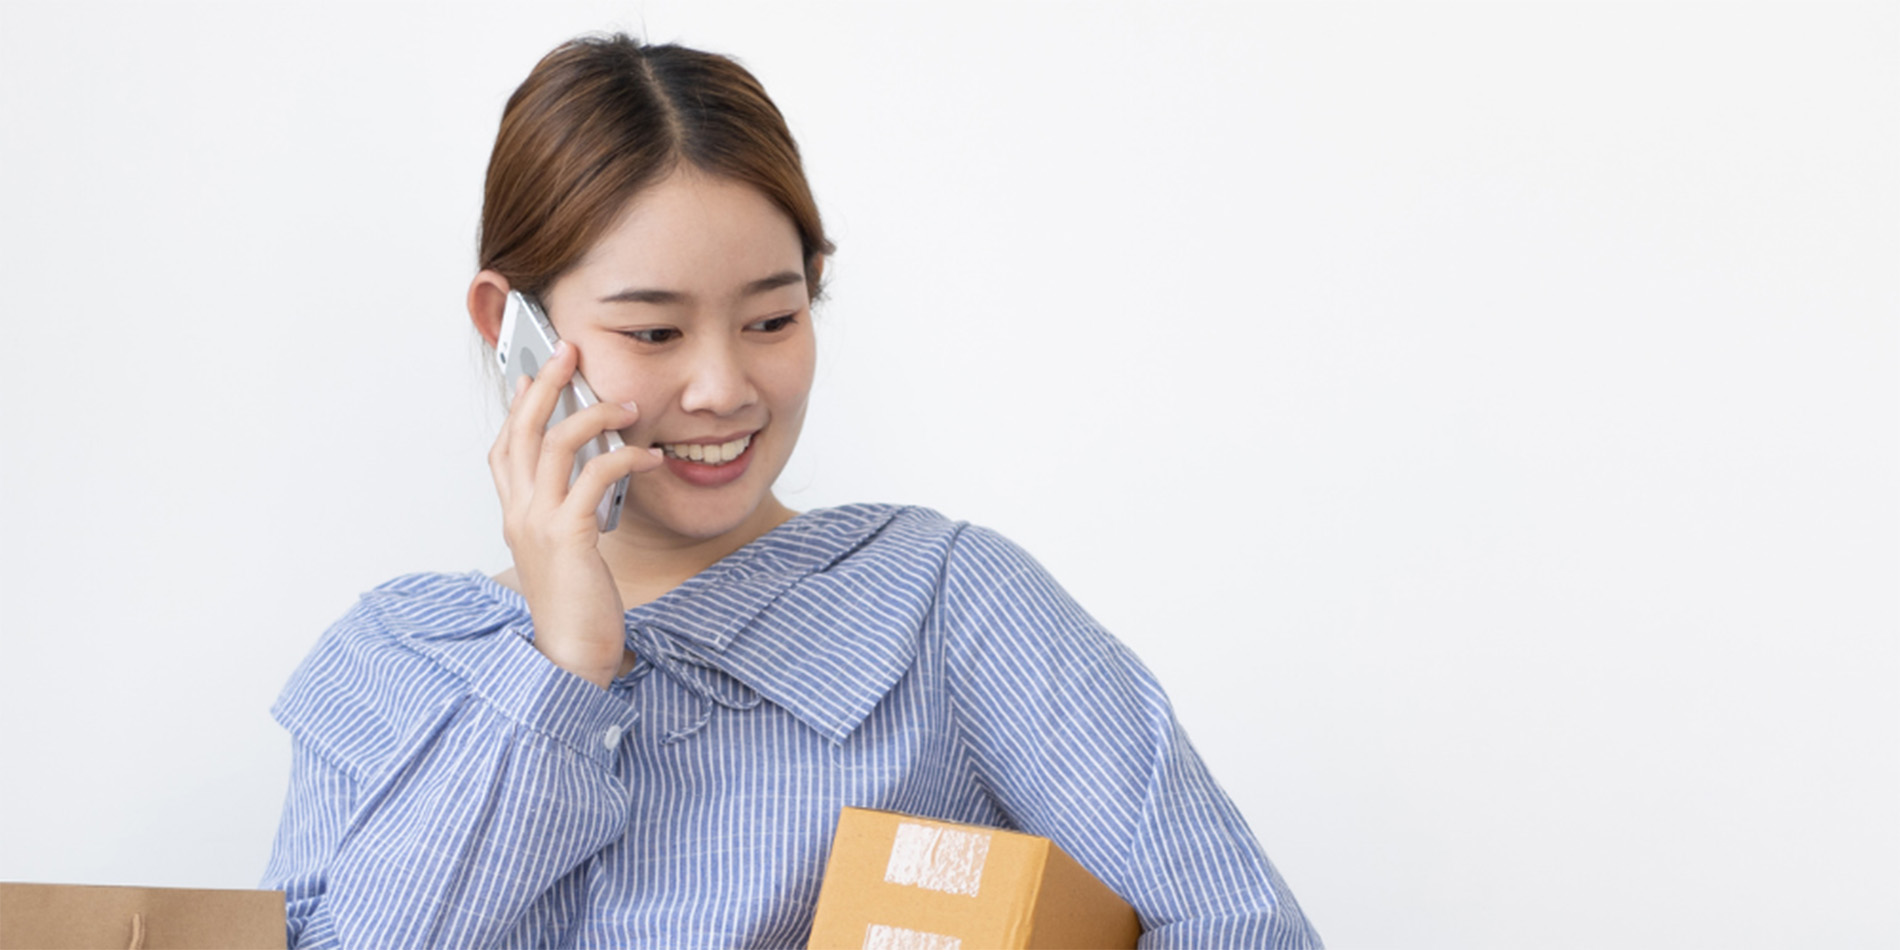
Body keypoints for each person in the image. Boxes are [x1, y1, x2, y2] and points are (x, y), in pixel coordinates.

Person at [261, 33, 1320, 949]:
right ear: (511, 326)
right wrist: (562, 664)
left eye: (771, 318)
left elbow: (1237, 920)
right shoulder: (392, 659)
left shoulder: (942, 602)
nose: (722, 387)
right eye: (652, 331)